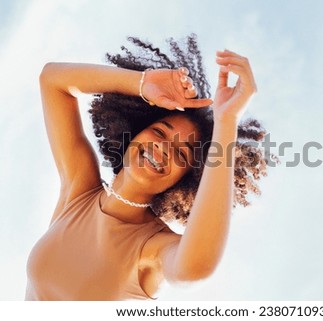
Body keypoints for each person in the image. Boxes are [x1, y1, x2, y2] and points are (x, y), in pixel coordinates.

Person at [26, 35, 274, 300]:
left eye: (181, 152)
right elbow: (52, 81)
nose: (163, 148)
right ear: (132, 133)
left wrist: (227, 122)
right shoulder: (78, 192)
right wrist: (142, 84)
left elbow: (194, 269)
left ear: (184, 179)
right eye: (159, 131)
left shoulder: (153, 247)